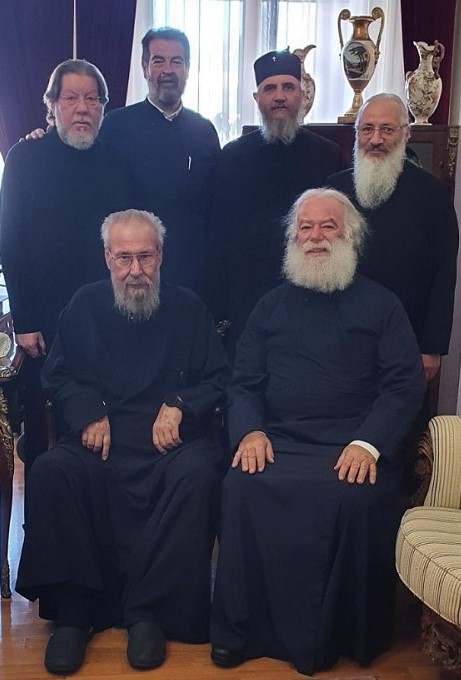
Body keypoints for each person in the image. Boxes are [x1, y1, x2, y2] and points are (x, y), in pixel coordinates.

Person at [210, 188, 425, 676]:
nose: (315, 236)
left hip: (353, 444)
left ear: (351, 237)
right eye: (305, 227)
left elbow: (403, 385)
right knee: (241, 485)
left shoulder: (383, 305)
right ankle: (240, 631)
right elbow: (243, 382)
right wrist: (249, 432)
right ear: (292, 239)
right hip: (279, 441)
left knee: (353, 497)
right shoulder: (269, 307)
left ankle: (338, 637)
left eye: (328, 226)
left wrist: (369, 444)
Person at [15, 209, 230, 675]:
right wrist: (87, 410)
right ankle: (75, 613)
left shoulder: (188, 307)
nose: (135, 270)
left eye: (145, 257)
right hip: (100, 439)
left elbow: (218, 378)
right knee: (52, 470)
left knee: (197, 474)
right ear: (107, 258)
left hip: (169, 443)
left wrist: (181, 404)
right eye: (124, 257)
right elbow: (57, 375)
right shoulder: (84, 304)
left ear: (161, 257)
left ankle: (151, 614)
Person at [0, 59, 136, 478]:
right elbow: (10, 241)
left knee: (101, 424)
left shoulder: (116, 162)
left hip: (105, 317)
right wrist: (24, 321)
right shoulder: (25, 157)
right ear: (52, 105)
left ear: (103, 108)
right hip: (43, 322)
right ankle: (44, 514)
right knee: (46, 434)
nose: (82, 108)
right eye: (71, 98)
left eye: (92, 99)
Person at [209, 49, 341, 353]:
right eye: (270, 88)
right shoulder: (232, 157)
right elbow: (218, 236)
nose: (279, 96)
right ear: (257, 99)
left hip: (310, 293)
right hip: (247, 297)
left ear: (302, 96)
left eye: (288, 87)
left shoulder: (327, 154)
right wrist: (219, 306)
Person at [328, 93, 459, 383]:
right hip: (340, 339)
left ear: (406, 134)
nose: (375, 139)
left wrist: (432, 347)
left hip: (406, 339)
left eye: (387, 129)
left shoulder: (433, 195)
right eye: (367, 129)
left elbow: (444, 273)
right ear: (357, 134)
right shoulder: (335, 191)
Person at [98, 27, 220, 298]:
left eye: (176, 61)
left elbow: (213, 208)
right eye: (158, 61)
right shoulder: (114, 127)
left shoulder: (204, 131)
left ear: (187, 69)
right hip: (131, 273)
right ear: (144, 68)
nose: (167, 70)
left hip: (191, 274)